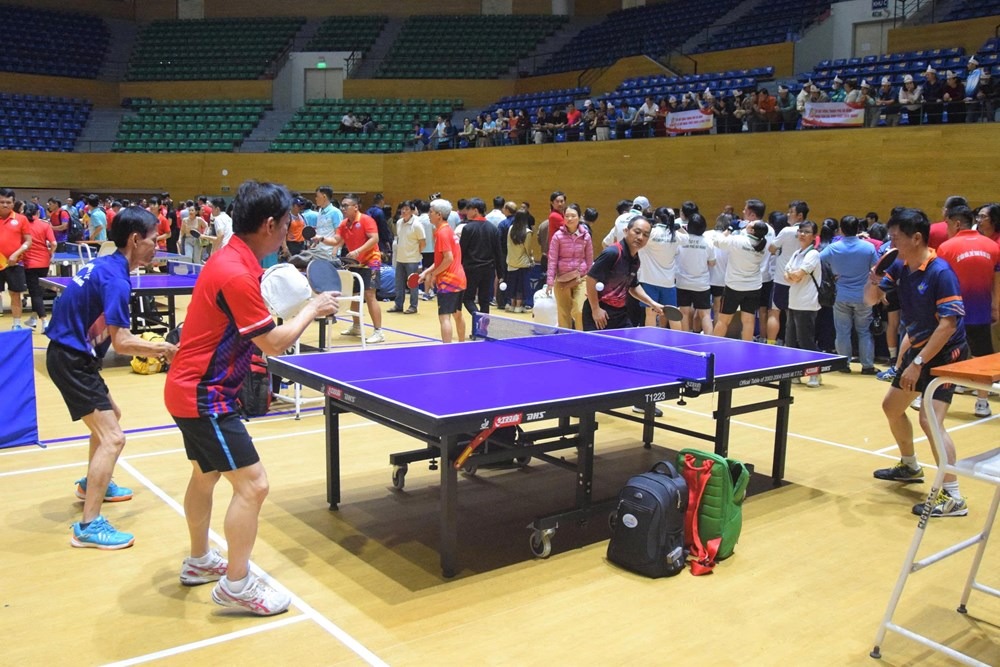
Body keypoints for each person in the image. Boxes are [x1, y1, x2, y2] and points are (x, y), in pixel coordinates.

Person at [165, 180, 339, 614]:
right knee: (254, 486)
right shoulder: (237, 273)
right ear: (268, 225)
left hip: (190, 387)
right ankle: (237, 585)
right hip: (205, 396)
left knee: (204, 475)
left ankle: (199, 560)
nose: (289, 230)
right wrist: (312, 308)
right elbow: (274, 344)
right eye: (286, 223)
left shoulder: (233, 257)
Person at [45, 205, 179, 549]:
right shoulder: (116, 279)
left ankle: (91, 485)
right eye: (153, 240)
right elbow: (122, 343)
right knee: (113, 438)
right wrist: (164, 349)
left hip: (71, 353)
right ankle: (88, 526)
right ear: (135, 239)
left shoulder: (106, 264)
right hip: (71, 359)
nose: (156, 246)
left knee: (111, 418)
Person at [864, 207, 970, 518]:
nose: (891, 242)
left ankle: (953, 497)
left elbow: (948, 325)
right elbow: (870, 300)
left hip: (945, 354)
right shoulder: (900, 266)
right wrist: (874, 279)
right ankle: (910, 466)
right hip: (919, 347)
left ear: (917, 238)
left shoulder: (940, 273)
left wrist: (918, 363)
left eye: (896, 237)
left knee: (930, 421)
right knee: (891, 407)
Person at [936, 204, 1000, 417]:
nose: (945, 228)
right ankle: (982, 403)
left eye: (947, 224)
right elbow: (997, 281)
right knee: (982, 359)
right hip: (982, 312)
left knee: (944, 356)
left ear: (956, 223)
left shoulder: (946, 247)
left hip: (954, 314)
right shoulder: (992, 246)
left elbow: (941, 282)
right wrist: (996, 307)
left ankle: (935, 399)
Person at [316, 193, 385, 344]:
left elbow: (374, 238)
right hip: (354, 263)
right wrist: (321, 238)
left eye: (346, 206)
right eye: (342, 206)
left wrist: (358, 251)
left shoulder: (366, 220)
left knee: (370, 295)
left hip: (371, 261)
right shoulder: (344, 224)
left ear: (355, 207)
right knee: (354, 294)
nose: (343, 208)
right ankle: (356, 326)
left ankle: (378, 332)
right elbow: (336, 240)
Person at [821, 215, 879, 374]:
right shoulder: (868, 248)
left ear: (841, 230)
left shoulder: (833, 248)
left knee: (842, 332)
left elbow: (818, 260)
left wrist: (832, 275)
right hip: (863, 295)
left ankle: (843, 364)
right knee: (864, 331)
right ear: (858, 229)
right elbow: (877, 268)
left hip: (840, 295)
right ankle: (867, 366)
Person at [712, 203, 770, 341]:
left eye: (750, 224)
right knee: (748, 321)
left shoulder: (738, 240)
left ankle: (713, 345)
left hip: (734, 287)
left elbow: (717, 241)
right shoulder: (763, 245)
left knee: (723, 320)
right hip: (753, 287)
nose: (747, 223)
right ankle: (747, 348)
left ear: (752, 230)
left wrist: (730, 229)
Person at [782, 220, 823, 387]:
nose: (802, 234)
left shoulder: (813, 254)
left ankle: (815, 374)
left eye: (806, 232)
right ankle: (795, 373)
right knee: (791, 341)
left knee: (806, 341)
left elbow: (797, 275)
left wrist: (793, 275)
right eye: (800, 231)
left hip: (807, 304)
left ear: (814, 236)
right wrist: (793, 275)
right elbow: (786, 275)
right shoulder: (796, 253)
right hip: (793, 302)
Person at [419, 198, 466, 343]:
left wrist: (434, 274)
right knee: (457, 314)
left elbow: (448, 259)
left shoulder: (442, 233)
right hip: (459, 278)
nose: (429, 214)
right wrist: (426, 272)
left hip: (448, 281)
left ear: (439, 215)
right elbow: (441, 259)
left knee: (444, 317)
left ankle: (447, 348)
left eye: (431, 212)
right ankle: (462, 345)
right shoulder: (448, 230)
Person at [638, 207, 682, 328]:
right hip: (668, 282)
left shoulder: (651, 233)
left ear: (656, 218)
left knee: (650, 314)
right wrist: (678, 226)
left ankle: (650, 339)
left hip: (649, 281)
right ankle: (680, 340)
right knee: (673, 316)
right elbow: (687, 238)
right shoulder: (676, 235)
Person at [459, 197, 502, 317]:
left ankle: (478, 319)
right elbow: (498, 253)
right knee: (484, 301)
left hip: (471, 270)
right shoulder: (493, 229)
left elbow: (461, 251)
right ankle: (483, 326)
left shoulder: (467, 228)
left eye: (469, 209)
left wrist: (458, 268)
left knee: (467, 299)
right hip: (488, 270)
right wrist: (500, 274)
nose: (466, 212)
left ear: (475, 210)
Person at [675, 212, 716, 335]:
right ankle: (710, 340)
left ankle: (685, 340)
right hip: (701, 284)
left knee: (684, 313)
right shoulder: (708, 242)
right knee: (705, 315)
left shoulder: (681, 240)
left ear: (689, 226)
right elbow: (712, 263)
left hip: (682, 282)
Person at [0, 188, 31, 329]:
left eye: (8, 202)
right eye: (1, 202)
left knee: (15, 294)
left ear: (13, 203)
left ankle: (16, 325)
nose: (5, 205)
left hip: (15, 264)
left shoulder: (21, 219)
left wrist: (16, 254)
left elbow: (28, 241)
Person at [21, 202, 55, 330]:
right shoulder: (45, 225)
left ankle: (45, 322)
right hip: (44, 262)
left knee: (35, 293)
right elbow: (54, 243)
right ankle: (33, 319)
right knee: (39, 292)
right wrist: (50, 253)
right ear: (38, 212)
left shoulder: (22, 226)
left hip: (29, 263)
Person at [388, 200, 425, 314]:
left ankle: (413, 306)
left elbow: (423, 243)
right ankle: (398, 305)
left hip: (412, 260)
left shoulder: (417, 225)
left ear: (412, 211)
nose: (403, 211)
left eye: (407, 209)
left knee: (412, 284)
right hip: (400, 258)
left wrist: (416, 254)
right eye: (402, 209)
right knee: (399, 284)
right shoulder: (399, 222)